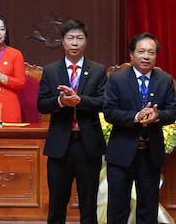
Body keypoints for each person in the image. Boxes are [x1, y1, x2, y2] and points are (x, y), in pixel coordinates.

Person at [104, 32, 176, 224]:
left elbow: (172, 113)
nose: (146, 56)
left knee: (148, 208)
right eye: (142, 52)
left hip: (150, 154)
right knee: (118, 207)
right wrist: (134, 116)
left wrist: (157, 116)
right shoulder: (117, 79)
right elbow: (109, 112)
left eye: (151, 52)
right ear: (131, 55)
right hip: (122, 154)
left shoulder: (165, 80)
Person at [37, 19, 106, 224]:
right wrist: (60, 101)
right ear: (62, 42)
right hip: (60, 146)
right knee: (57, 204)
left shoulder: (98, 70)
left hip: (88, 146)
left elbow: (104, 102)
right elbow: (41, 104)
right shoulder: (50, 70)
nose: (74, 43)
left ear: (86, 41)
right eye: (70, 38)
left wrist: (79, 100)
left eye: (79, 38)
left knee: (88, 205)